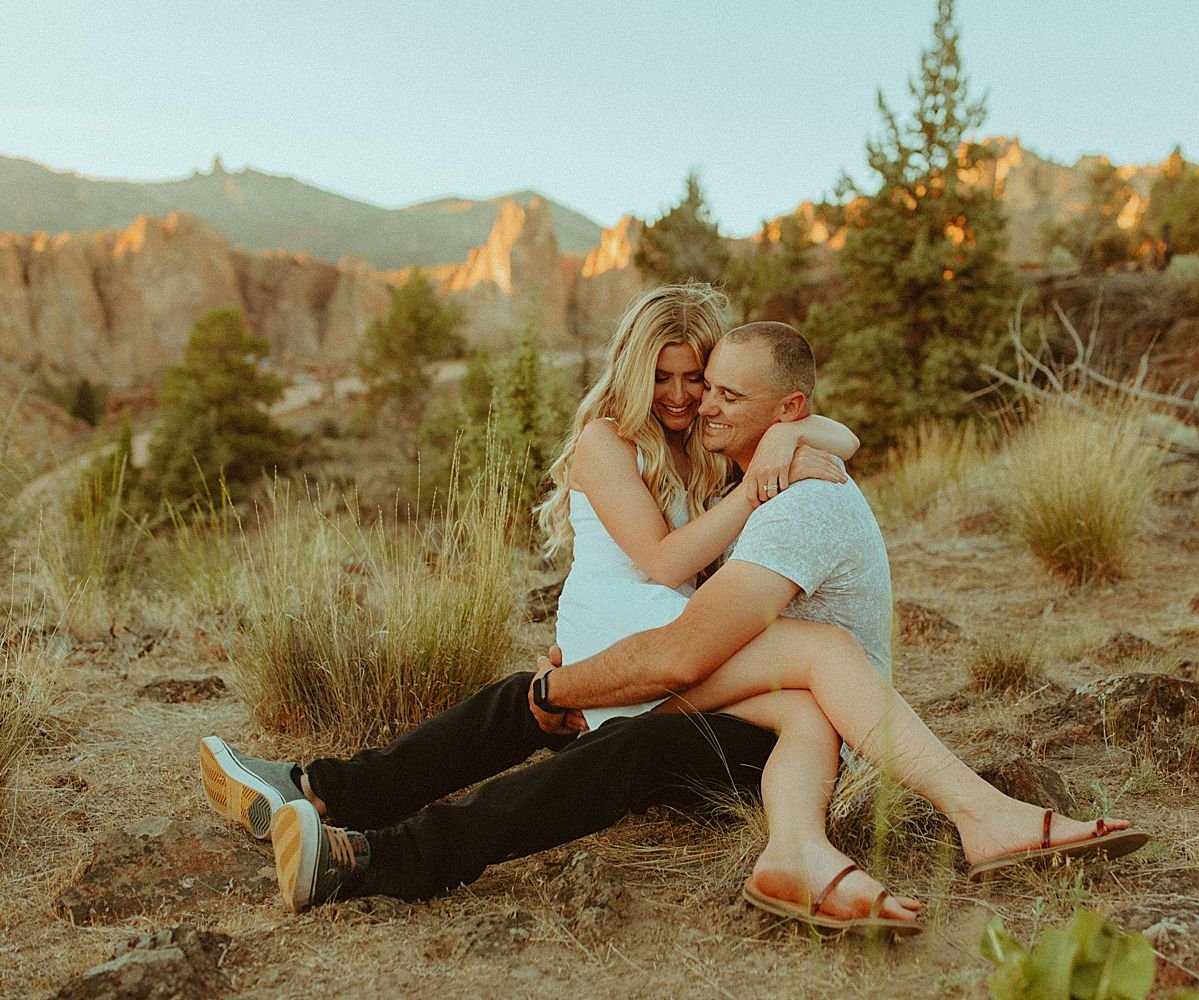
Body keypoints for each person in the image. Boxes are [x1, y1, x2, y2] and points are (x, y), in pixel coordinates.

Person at [204, 308, 1146, 929]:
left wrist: (564, 685)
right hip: (780, 721)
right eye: (688, 384)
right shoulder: (736, 464)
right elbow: (684, 585)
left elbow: (687, 643)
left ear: (778, 407)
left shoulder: (792, 489)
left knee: (619, 722)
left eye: (717, 391)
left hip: (780, 727)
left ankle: (367, 852)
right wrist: (788, 431)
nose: (696, 405)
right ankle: (329, 796)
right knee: (743, 682)